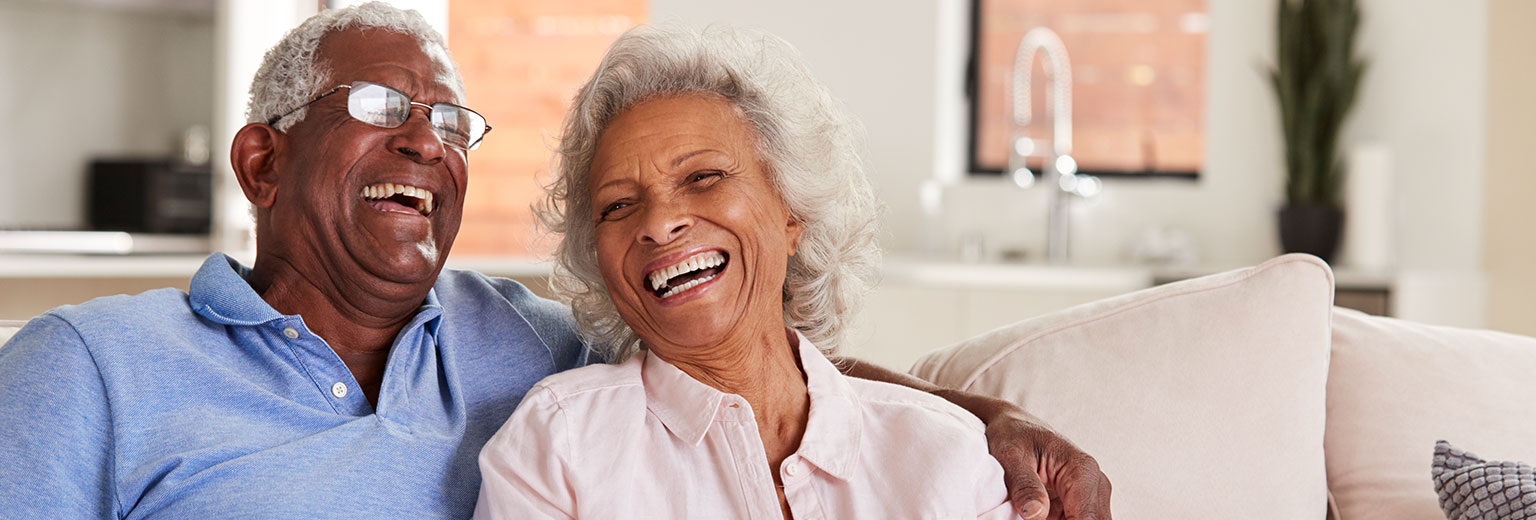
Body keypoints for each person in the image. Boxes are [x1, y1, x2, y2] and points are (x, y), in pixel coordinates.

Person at [0, 3, 1106, 519]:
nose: (427, 139)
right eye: (384, 105)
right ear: (260, 161)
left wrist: (983, 421)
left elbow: (743, 366)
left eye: (449, 119)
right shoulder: (88, 367)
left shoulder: (522, 343)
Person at [474, 24, 1106, 520]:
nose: (659, 223)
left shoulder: (945, 454)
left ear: (792, 212)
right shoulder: (561, 443)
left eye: (704, 177)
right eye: (618, 205)